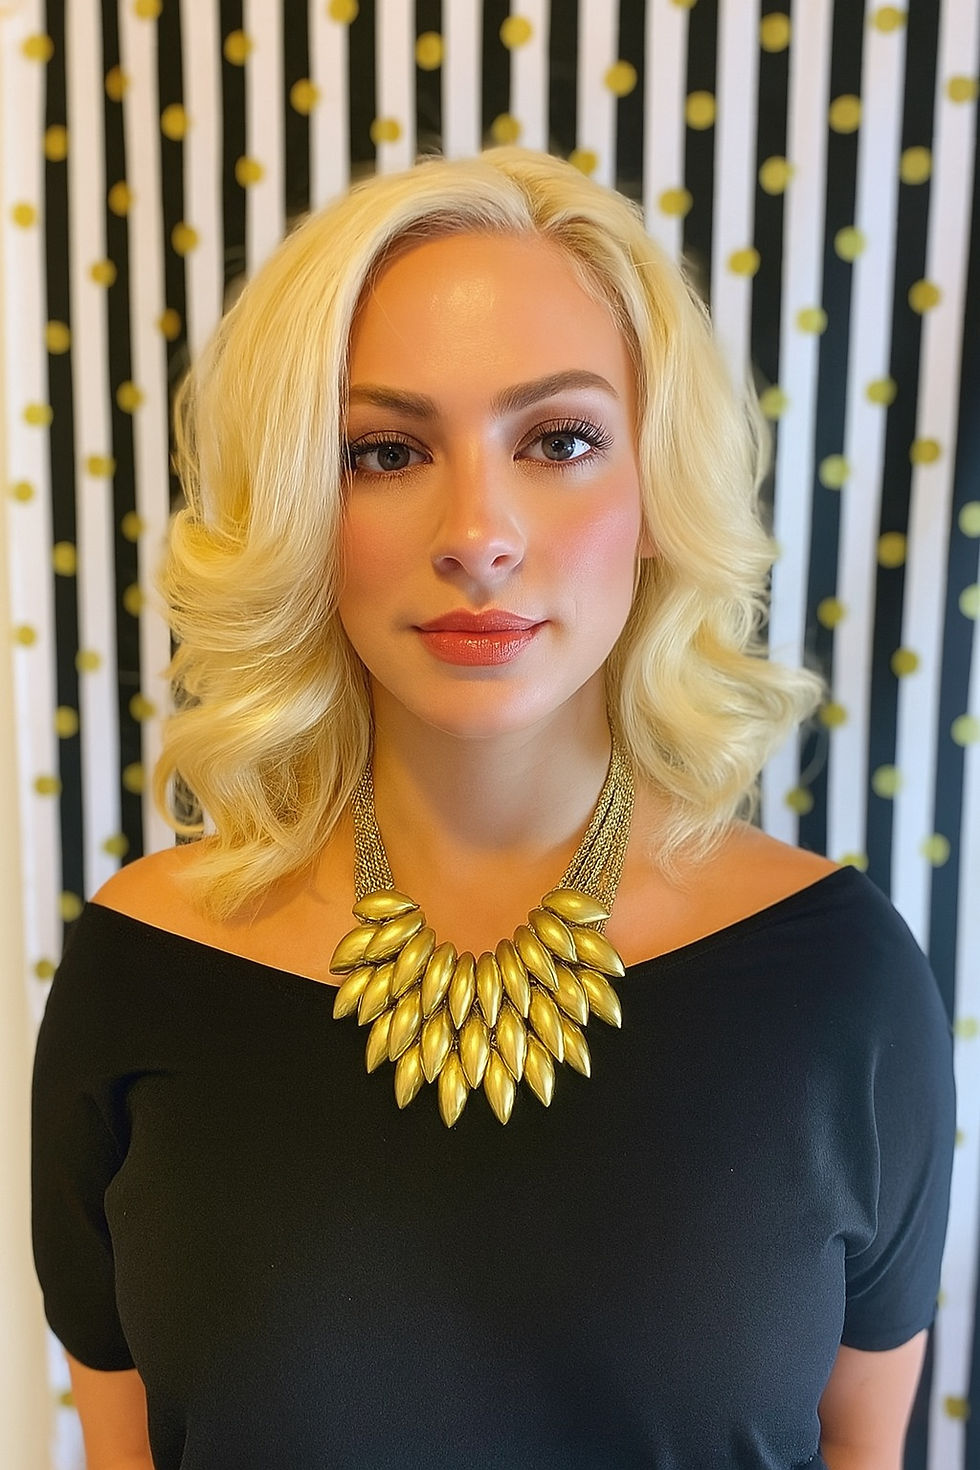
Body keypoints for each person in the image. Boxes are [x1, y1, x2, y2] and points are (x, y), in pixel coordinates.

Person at [32, 147, 954, 1470]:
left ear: (654, 494)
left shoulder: (841, 983)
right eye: (385, 451)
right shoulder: (143, 968)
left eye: (559, 440)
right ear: (301, 505)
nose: (479, 532)